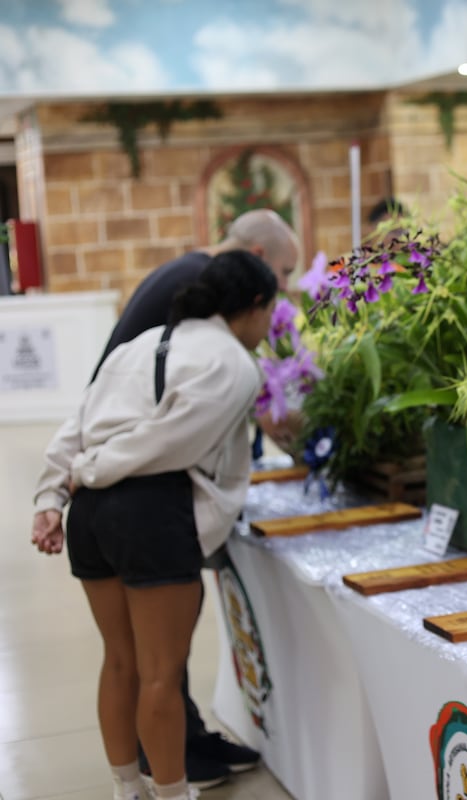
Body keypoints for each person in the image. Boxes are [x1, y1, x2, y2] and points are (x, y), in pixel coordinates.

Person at [30, 251, 278, 800]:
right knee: (161, 674)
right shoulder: (234, 364)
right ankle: (171, 794)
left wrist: (55, 492)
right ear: (256, 306)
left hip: (92, 516)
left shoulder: (139, 345)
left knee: (120, 662)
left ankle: (127, 789)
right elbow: (169, 444)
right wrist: (84, 472)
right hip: (150, 514)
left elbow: (79, 422)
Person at [91, 208, 299, 788]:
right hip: (138, 482)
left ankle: (158, 762)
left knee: (137, 658)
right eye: (279, 276)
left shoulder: (191, 284)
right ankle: (171, 763)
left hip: (118, 473)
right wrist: (93, 467)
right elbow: (176, 421)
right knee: (153, 661)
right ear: (254, 261)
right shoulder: (199, 299)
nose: (280, 295)